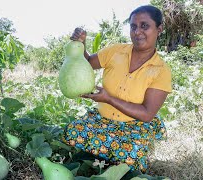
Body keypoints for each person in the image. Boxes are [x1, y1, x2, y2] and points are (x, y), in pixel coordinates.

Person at [62, 5, 172, 173]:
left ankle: (104, 157)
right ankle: (105, 156)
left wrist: (109, 99)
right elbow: (89, 62)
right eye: (133, 26)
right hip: (102, 120)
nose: (137, 32)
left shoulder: (161, 70)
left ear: (159, 29)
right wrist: (81, 43)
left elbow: (147, 113)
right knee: (71, 133)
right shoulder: (115, 51)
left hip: (134, 125)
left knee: (132, 156)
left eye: (144, 26)